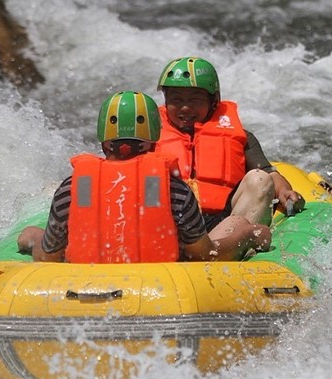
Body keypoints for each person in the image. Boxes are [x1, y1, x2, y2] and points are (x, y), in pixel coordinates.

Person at [18, 91, 271, 263]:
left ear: (104, 141)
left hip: (85, 285)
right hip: (161, 287)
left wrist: (33, 239)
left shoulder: (73, 187)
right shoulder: (173, 190)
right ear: (154, 141)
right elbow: (203, 256)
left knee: (31, 234)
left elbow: (49, 256)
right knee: (238, 224)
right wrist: (248, 235)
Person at [154, 56, 303, 231]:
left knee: (260, 179)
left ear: (213, 101)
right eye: (177, 100)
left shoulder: (241, 137)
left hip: (224, 225)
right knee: (150, 179)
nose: (185, 108)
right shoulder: (147, 137)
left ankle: (234, 249)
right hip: (170, 227)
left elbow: (269, 173)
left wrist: (284, 192)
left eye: (195, 100)